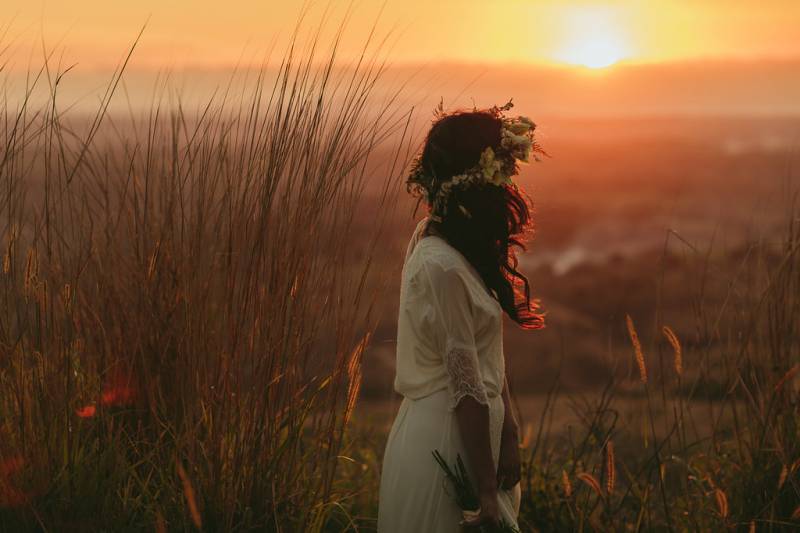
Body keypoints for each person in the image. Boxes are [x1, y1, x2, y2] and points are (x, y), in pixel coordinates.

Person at [377, 101, 545, 532]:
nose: (508, 183)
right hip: (447, 454)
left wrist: (507, 427)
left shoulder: (447, 240)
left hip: (471, 452)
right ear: (481, 178)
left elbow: (484, 357)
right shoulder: (443, 266)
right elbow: (466, 387)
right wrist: (486, 495)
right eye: (502, 172)